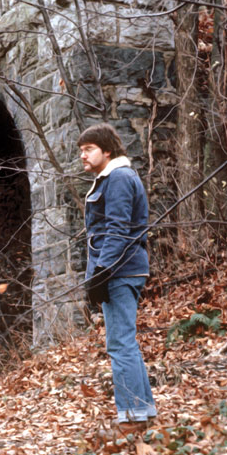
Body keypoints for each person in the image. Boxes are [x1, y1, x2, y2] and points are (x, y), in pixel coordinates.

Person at [78, 123, 156, 436]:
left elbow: (118, 229)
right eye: (81, 151)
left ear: (106, 150)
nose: (83, 156)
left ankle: (133, 419)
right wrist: (96, 275)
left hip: (121, 271)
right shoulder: (110, 178)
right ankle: (142, 410)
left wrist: (102, 273)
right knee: (125, 343)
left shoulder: (120, 177)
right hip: (119, 270)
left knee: (120, 345)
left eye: (88, 150)